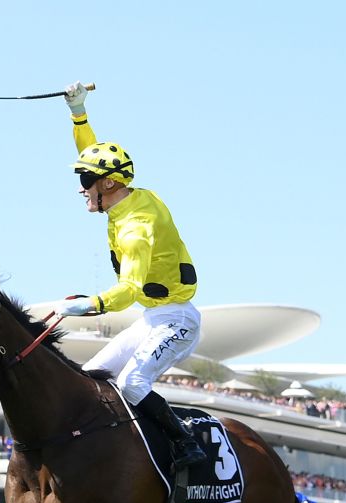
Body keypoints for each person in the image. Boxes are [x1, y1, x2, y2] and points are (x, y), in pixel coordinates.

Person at [52, 81, 205, 469]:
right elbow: (93, 155)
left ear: (109, 185)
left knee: (133, 385)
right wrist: (78, 113)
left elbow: (128, 290)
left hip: (177, 320)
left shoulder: (137, 226)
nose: (82, 190)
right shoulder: (123, 196)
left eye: (86, 184)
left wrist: (89, 305)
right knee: (89, 378)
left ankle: (186, 444)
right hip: (153, 317)